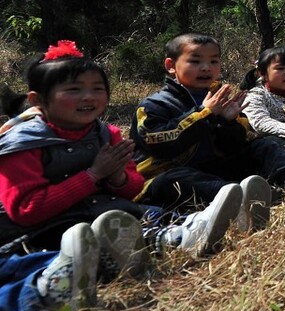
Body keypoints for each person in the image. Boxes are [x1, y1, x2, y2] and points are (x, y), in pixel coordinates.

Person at [1, 42, 255, 268]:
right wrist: (93, 175)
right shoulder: (21, 144)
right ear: (38, 100)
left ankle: (199, 223)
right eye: (74, 90)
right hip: (45, 227)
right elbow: (27, 210)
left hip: (105, 209)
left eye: (97, 88)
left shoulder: (105, 133)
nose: (88, 97)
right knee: (120, 224)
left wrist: (117, 177)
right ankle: (173, 237)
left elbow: (132, 188)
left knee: (149, 213)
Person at [134, 33, 285, 201]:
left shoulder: (218, 97)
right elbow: (159, 144)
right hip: (168, 175)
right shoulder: (155, 105)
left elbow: (233, 145)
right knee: (172, 180)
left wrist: (227, 122)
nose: (206, 68)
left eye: (213, 61)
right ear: (171, 66)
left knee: (264, 144)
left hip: (212, 168)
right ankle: (244, 196)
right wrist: (204, 113)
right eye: (195, 61)